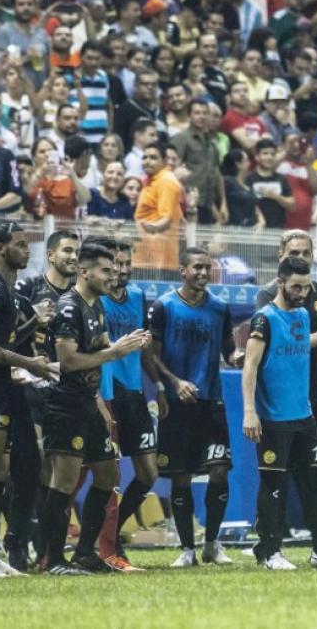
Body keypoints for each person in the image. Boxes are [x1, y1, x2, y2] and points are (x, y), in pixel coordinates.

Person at [41, 244, 150, 576]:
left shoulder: (96, 306)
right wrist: (116, 352)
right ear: (83, 272)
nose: (113, 274)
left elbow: (99, 350)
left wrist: (100, 401)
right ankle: (53, 559)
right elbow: (68, 361)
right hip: (64, 403)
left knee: (108, 473)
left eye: (114, 269)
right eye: (106, 269)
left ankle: (85, 553)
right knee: (64, 481)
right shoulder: (69, 307)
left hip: (88, 403)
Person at [0, 223, 57, 578]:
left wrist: (34, 321)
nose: (26, 250)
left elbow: (9, 337)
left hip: (0, 384)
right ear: (1, 248)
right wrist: (28, 363)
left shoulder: (8, 288)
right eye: (20, 245)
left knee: (0, 472)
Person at [241, 257, 317, 571]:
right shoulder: (263, 318)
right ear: (280, 282)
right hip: (273, 419)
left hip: (304, 417)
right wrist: (249, 411)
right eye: (296, 286)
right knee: (274, 486)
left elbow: (301, 343)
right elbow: (250, 365)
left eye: (306, 286)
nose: (302, 292)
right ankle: (269, 551)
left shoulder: (301, 315)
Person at [148, 247, 239, 568]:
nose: (203, 273)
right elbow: (152, 355)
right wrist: (175, 383)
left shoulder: (220, 308)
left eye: (207, 268)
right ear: (182, 270)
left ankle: (212, 542)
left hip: (211, 402)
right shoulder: (164, 307)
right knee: (181, 477)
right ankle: (187, 549)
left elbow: (230, 351)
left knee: (219, 471)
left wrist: (241, 358)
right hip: (177, 404)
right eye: (197, 267)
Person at [95, 239, 162, 571]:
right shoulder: (96, 300)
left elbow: (144, 345)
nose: (122, 270)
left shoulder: (137, 296)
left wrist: (160, 386)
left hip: (135, 393)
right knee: (109, 474)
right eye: (116, 264)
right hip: (107, 393)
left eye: (126, 264)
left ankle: (112, 532)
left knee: (149, 473)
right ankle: (105, 545)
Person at [134, 143, 185, 270]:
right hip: (145, 251)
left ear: (163, 161)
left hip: (159, 258)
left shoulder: (166, 181)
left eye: (153, 158)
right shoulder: (150, 180)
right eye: (144, 157)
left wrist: (150, 227)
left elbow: (165, 220)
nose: (147, 161)